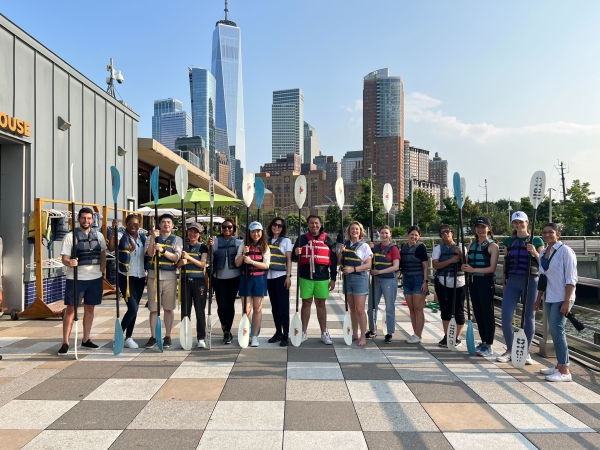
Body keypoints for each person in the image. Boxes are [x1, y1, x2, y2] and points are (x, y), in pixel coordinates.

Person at [58, 207, 107, 356]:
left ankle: (86, 339)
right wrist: (70, 262)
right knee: (71, 310)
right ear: (79, 219)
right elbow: (64, 258)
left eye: (89, 218)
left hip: (95, 278)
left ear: (93, 220)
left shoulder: (98, 236)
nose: (86, 221)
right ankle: (65, 342)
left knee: (90, 309)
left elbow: (103, 253)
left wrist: (102, 272)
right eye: (84, 218)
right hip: (76, 279)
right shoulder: (70, 236)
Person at [497, 211, 544, 364]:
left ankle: (526, 351)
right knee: (506, 316)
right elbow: (506, 263)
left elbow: (543, 262)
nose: (518, 225)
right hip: (512, 281)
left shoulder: (536, 241)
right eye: (515, 222)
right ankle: (510, 350)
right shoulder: (509, 241)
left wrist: (534, 252)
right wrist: (504, 282)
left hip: (531, 281)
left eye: (521, 222)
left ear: (527, 222)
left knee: (529, 317)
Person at [534, 223, 577, 382]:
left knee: (557, 331)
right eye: (544, 232)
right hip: (550, 296)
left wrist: (567, 301)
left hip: (562, 297)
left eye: (550, 232)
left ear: (558, 234)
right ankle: (559, 365)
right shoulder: (544, 251)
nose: (547, 235)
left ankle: (565, 370)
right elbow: (542, 278)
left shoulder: (565, 251)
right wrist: (538, 299)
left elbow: (571, 278)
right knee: (554, 329)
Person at [292, 215, 337, 345]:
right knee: (306, 303)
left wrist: (333, 278)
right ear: (308, 225)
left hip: (322, 277)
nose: (314, 225)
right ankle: (303, 332)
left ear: (320, 224)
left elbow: (333, 260)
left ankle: (324, 333)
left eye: (316, 223)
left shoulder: (328, 239)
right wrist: (296, 252)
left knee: (321, 304)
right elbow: (294, 259)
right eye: (311, 223)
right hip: (306, 276)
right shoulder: (301, 239)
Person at [107, 214, 147, 349]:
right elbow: (112, 248)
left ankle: (129, 337)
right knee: (133, 307)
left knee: (133, 310)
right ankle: (118, 336)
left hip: (140, 276)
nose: (134, 227)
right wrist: (113, 229)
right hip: (126, 276)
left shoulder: (142, 237)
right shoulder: (120, 235)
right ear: (126, 224)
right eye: (131, 224)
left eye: (136, 225)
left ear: (139, 225)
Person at [462, 217, 500, 357]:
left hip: (486, 282)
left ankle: (488, 345)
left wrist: (473, 270)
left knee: (487, 313)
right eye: (477, 226)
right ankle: (483, 341)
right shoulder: (471, 245)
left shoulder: (493, 246)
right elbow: (468, 263)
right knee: (478, 313)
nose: (480, 229)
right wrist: (464, 264)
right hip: (473, 282)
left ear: (489, 229)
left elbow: (492, 268)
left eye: (483, 227)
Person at [144, 213, 182, 349]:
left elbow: (176, 257)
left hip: (170, 277)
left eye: (168, 222)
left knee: (168, 308)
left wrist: (163, 250)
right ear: (159, 225)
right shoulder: (151, 238)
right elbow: (149, 253)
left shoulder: (177, 239)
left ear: (172, 225)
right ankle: (153, 336)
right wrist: (154, 239)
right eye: (163, 222)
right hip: (154, 277)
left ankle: (168, 335)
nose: (166, 224)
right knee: (153, 309)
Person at [235, 221, 270, 347]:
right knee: (246, 310)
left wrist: (251, 262)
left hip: (259, 280)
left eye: (258, 231)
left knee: (257, 308)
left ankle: (255, 336)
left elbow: (266, 265)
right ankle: (248, 332)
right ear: (249, 233)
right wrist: (244, 254)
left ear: (262, 232)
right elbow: (237, 263)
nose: (256, 234)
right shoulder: (243, 245)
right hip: (246, 279)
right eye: (253, 231)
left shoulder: (265, 247)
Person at [338, 221, 373, 346]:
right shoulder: (345, 245)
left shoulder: (364, 246)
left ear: (360, 231)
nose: (354, 231)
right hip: (348, 279)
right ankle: (354, 333)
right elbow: (338, 262)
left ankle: (363, 336)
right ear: (349, 231)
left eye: (357, 229)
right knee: (352, 309)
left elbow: (368, 265)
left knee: (359, 309)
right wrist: (341, 252)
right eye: (352, 229)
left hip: (359, 278)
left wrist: (353, 269)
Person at [209, 218, 243, 344]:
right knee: (221, 305)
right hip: (219, 278)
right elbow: (210, 256)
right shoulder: (216, 241)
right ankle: (224, 325)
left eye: (229, 227)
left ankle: (227, 332)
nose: (227, 229)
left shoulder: (239, 242)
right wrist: (210, 246)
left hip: (234, 278)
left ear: (234, 228)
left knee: (230, 305)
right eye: (224, 227)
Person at [432, 224, 465, 348]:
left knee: (459, 311)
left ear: (452, 232)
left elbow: (466, 262)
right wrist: (451, 260)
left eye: (447, 232)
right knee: (445, 311)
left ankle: (456, 337)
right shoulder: (438, 249)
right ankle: (447, 336)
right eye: (442, 233)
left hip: (459, 283)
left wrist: (460, 254)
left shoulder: (461, 247)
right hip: (443, 282)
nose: (445, 234)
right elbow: (436, 265)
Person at [177, 223, 209, 348]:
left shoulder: (203, 247)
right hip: (185, 280)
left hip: (199, 282)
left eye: (196, 232)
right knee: (185, 310)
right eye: (190, 231)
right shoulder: (182, 247)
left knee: (200, 310)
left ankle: (201, 337)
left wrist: (189, 257)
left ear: (199, 234)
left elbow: (202, 264)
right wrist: (181, 262)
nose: (192, 234)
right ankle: (185, 337)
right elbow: (177, 266)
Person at [368, 225, 400, 343]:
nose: (384, 235)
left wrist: (379, 272)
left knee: (389, 307)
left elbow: (396, 266)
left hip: (389, 280)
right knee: (371, 306)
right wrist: (371, 249)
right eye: (382, 233)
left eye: (386, 233)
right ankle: (372, 329)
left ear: (390, 234)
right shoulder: (375, 247)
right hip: (376, 280)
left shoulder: (393, 249)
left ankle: (389, 332)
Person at [266, 217, 293, 347]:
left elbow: (288, 259)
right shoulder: (266, 240)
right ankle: (278, 332)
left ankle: (285, 334)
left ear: (283, 228)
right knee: (274, 307)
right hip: (269, 277)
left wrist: (288, 276)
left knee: (283, 307)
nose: (276, 227)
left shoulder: (286, 241)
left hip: (281, 276)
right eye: (275, 224)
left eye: (280, 226)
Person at [400, 226, 428, 344]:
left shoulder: (421, 248)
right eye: (412, 234)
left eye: (416, 235)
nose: (413, 237)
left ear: (419, 236)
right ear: (407, 234)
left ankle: (418, 335)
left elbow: (426, 266)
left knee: (418, 308)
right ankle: (415, 333)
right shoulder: (403, 247)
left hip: (418, 279)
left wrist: (425, 282)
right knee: (411, 308)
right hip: (407, 280)